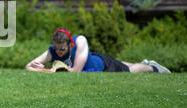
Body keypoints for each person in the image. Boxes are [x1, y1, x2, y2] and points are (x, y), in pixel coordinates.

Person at [25, 27, 171, 73]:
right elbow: (28, 66)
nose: (59, 52)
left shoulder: (80, 41)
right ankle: (145, 63)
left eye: (62, 49)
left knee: (130, 70)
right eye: (56, 49)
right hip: (93, 60)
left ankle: (153, 68)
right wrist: (41, 68)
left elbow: (75, 71)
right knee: (125, 64)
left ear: (70, 44)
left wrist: (47, 71)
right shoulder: (52, 50)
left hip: (101, 64)